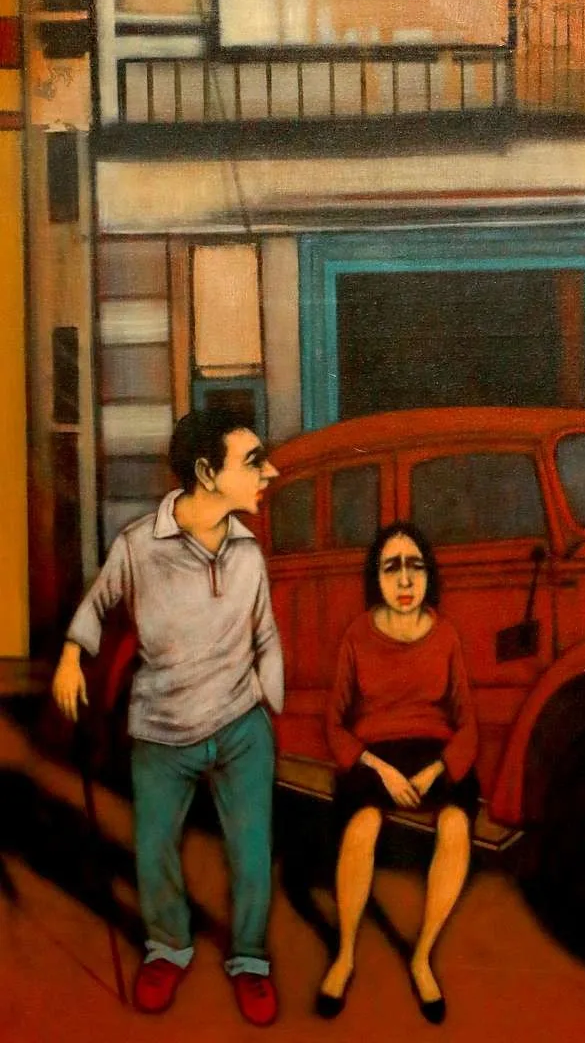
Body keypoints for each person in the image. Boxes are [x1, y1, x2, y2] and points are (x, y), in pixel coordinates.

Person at [50, 409, 283, 1026]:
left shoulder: (249, 553)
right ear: (207, 472)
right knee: (154, 851)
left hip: (241, 726)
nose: (269, 472)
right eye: (254, 462)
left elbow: (265, 634)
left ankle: (250, 960)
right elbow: (96, 606)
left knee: (252, 853)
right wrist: (71, 658)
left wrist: (270, 701)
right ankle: (168, 949)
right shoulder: (137, 546)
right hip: (160, 730)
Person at [316, 520, 479, 1025]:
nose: (405, 580)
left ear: (429, 575)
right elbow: (335, 723)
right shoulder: (357, 635)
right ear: (376, 577)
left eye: (415, 567)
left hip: (433, 754)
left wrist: (437, 770)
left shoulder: (445, 635)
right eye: (392, 568)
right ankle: (345, 956)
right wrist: (378, 768)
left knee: (456, 826)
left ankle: (422, 957)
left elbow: (467, 723)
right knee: (362, 826)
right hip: (373, 755)